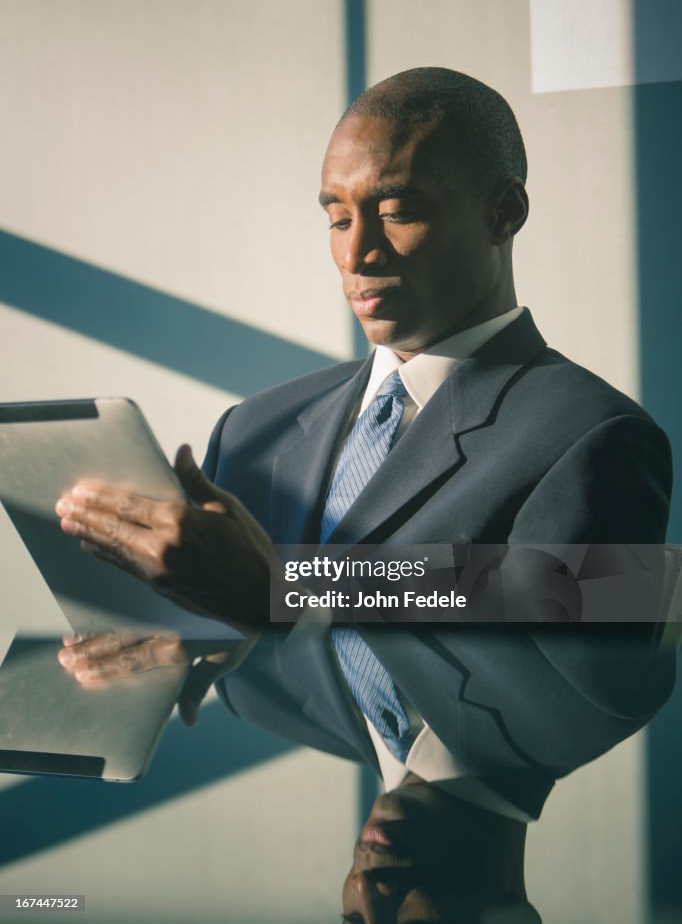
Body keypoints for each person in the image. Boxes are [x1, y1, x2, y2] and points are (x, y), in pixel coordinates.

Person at [55, 68, 675, 919]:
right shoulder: (257, 428)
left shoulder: (595, 430)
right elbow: (217, 609)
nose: (356, 255)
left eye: (397, 210)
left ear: (506, 215)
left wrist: (287, 586)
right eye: (339, 217)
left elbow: (606, 598)